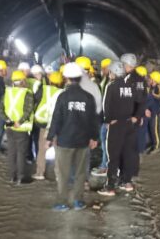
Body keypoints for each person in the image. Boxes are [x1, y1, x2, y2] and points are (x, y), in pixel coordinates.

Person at [47, 62, 98, 211]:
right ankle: (78, 201)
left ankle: (62, 202)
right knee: (81, 173)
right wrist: (94, 137)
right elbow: (92, 120)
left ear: (67, 78)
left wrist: (50, 137)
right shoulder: (88, 97)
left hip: (65, 141)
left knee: (63, 173)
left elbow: (56, 118)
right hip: (82, 141)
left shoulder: (63, 96)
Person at [98, 61, 140, 196]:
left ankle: (110, 186)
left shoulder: (112, 86)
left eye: (110, 72)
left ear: (114, 72)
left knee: (113, 156)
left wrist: (108, 120)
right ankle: (126, 182)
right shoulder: (131, 86)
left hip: (116, 126)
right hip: (129, 124)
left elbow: (107, 106)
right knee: (127, 153)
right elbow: (138, 103)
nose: (109, 74)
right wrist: (135, 117)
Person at [0, 71, 34, 184]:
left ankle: (11, 176)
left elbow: (1, 109)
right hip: (21, 128)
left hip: (9, 128)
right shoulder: (27, 93)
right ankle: (21, 177)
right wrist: (20, 122)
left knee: (12, 152)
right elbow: (28, 110)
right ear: (23, 81)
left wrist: (8, 120)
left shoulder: (7, 92)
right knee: (21, 153)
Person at [33, 71, 63, 180]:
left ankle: (40, 172)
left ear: (50, 80)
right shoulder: (63, 93)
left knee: (42, 148)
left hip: (44, 122)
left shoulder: (44, 89)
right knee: (58, 149)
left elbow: (35, 98)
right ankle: (59, 174)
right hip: (58, 125)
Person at [121, 53, 147, 178]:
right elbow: (143, 101)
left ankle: (127, 176)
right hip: (133, 117)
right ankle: (133, 171)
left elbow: (140, 101)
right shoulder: (140, 79)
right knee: (132, 146)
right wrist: (139, 116)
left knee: (127, 148)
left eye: (122, 64)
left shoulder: (131, 79)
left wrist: (136, 117)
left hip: (130, 118)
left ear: (127, 65)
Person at [91, 58, 112, 177]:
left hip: (107, 119)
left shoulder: (110, 82)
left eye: (104, 68)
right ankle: (105, 165)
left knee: (106, 144)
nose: (102, 70)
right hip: (103, 117)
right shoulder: (105, 80)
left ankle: (106, 167)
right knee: (104, 142)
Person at [144, 71, 160, 153]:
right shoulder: (151, 87)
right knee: (149, 128)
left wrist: (153, 94)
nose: (149, 79)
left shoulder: (158, 87)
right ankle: (151, 143)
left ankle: (156, 146)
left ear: (155, 80)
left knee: (154, 129)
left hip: (155, 112)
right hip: (150, 111)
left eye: (151, 78)